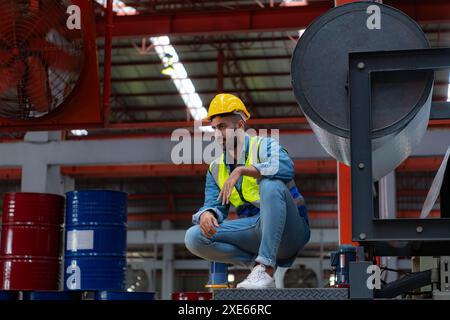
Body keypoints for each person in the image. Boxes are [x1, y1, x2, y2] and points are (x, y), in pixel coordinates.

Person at [185, 93, 310, 289]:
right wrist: (206, 214)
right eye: (214, 128)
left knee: (270, 184)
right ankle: (258, 268)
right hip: (256, 231)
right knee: (194, 237)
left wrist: (244, 170)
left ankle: (266, 266)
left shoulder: (263, 146)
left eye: (223, 127)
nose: (218, 134)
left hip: (290, 230)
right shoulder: (216, 168)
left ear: (241, 124)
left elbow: (286, 166)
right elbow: (213, 204)